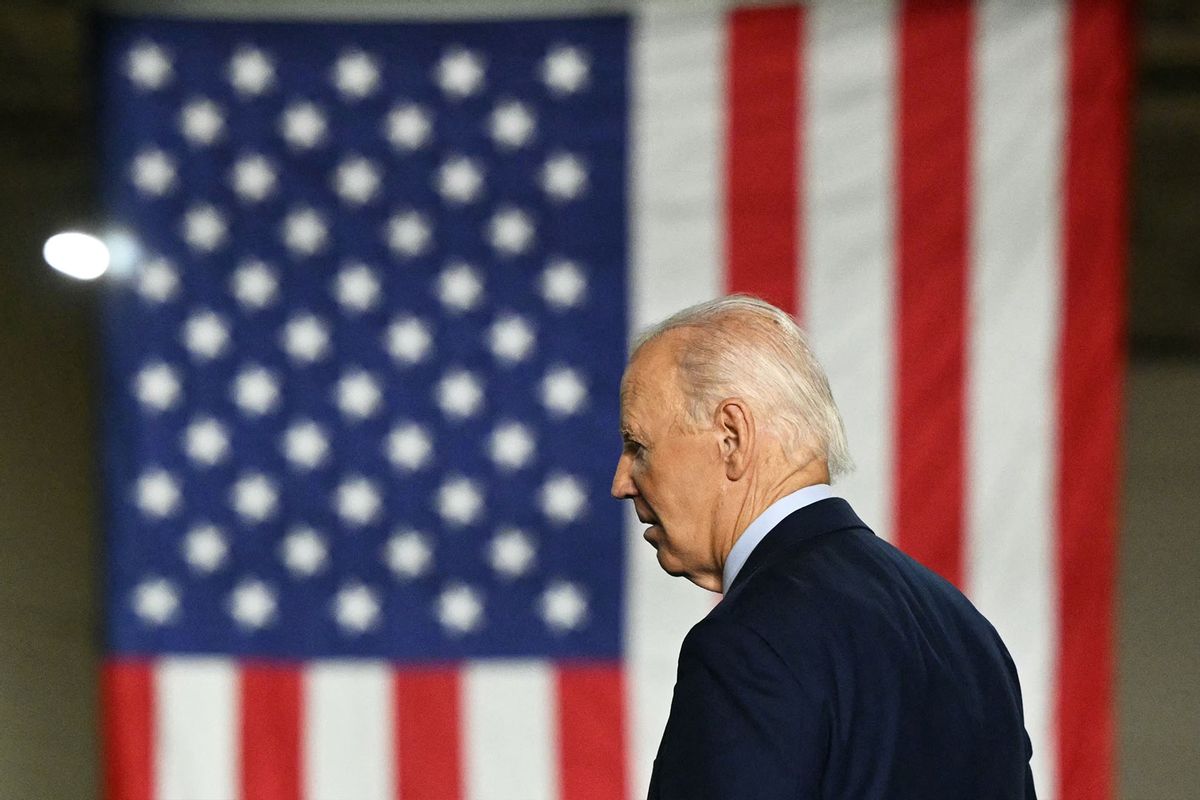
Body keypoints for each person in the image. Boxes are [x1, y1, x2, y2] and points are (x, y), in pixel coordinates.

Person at [611, 295, 1036, 799]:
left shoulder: (747, 645)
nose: (622, 482)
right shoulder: (967, 634)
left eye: (638, 446)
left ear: (732, 437)